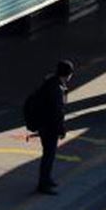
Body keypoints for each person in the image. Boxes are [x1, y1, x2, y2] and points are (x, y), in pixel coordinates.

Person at [36, 60, 74, 195]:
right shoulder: (56, 89)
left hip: (44, 125)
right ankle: (43, 183)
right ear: (67, 74)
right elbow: (58, 112)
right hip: (49, 127)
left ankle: (47, 179)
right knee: (48, 155)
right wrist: (61, 129)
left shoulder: (50, 82)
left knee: (48, 154)